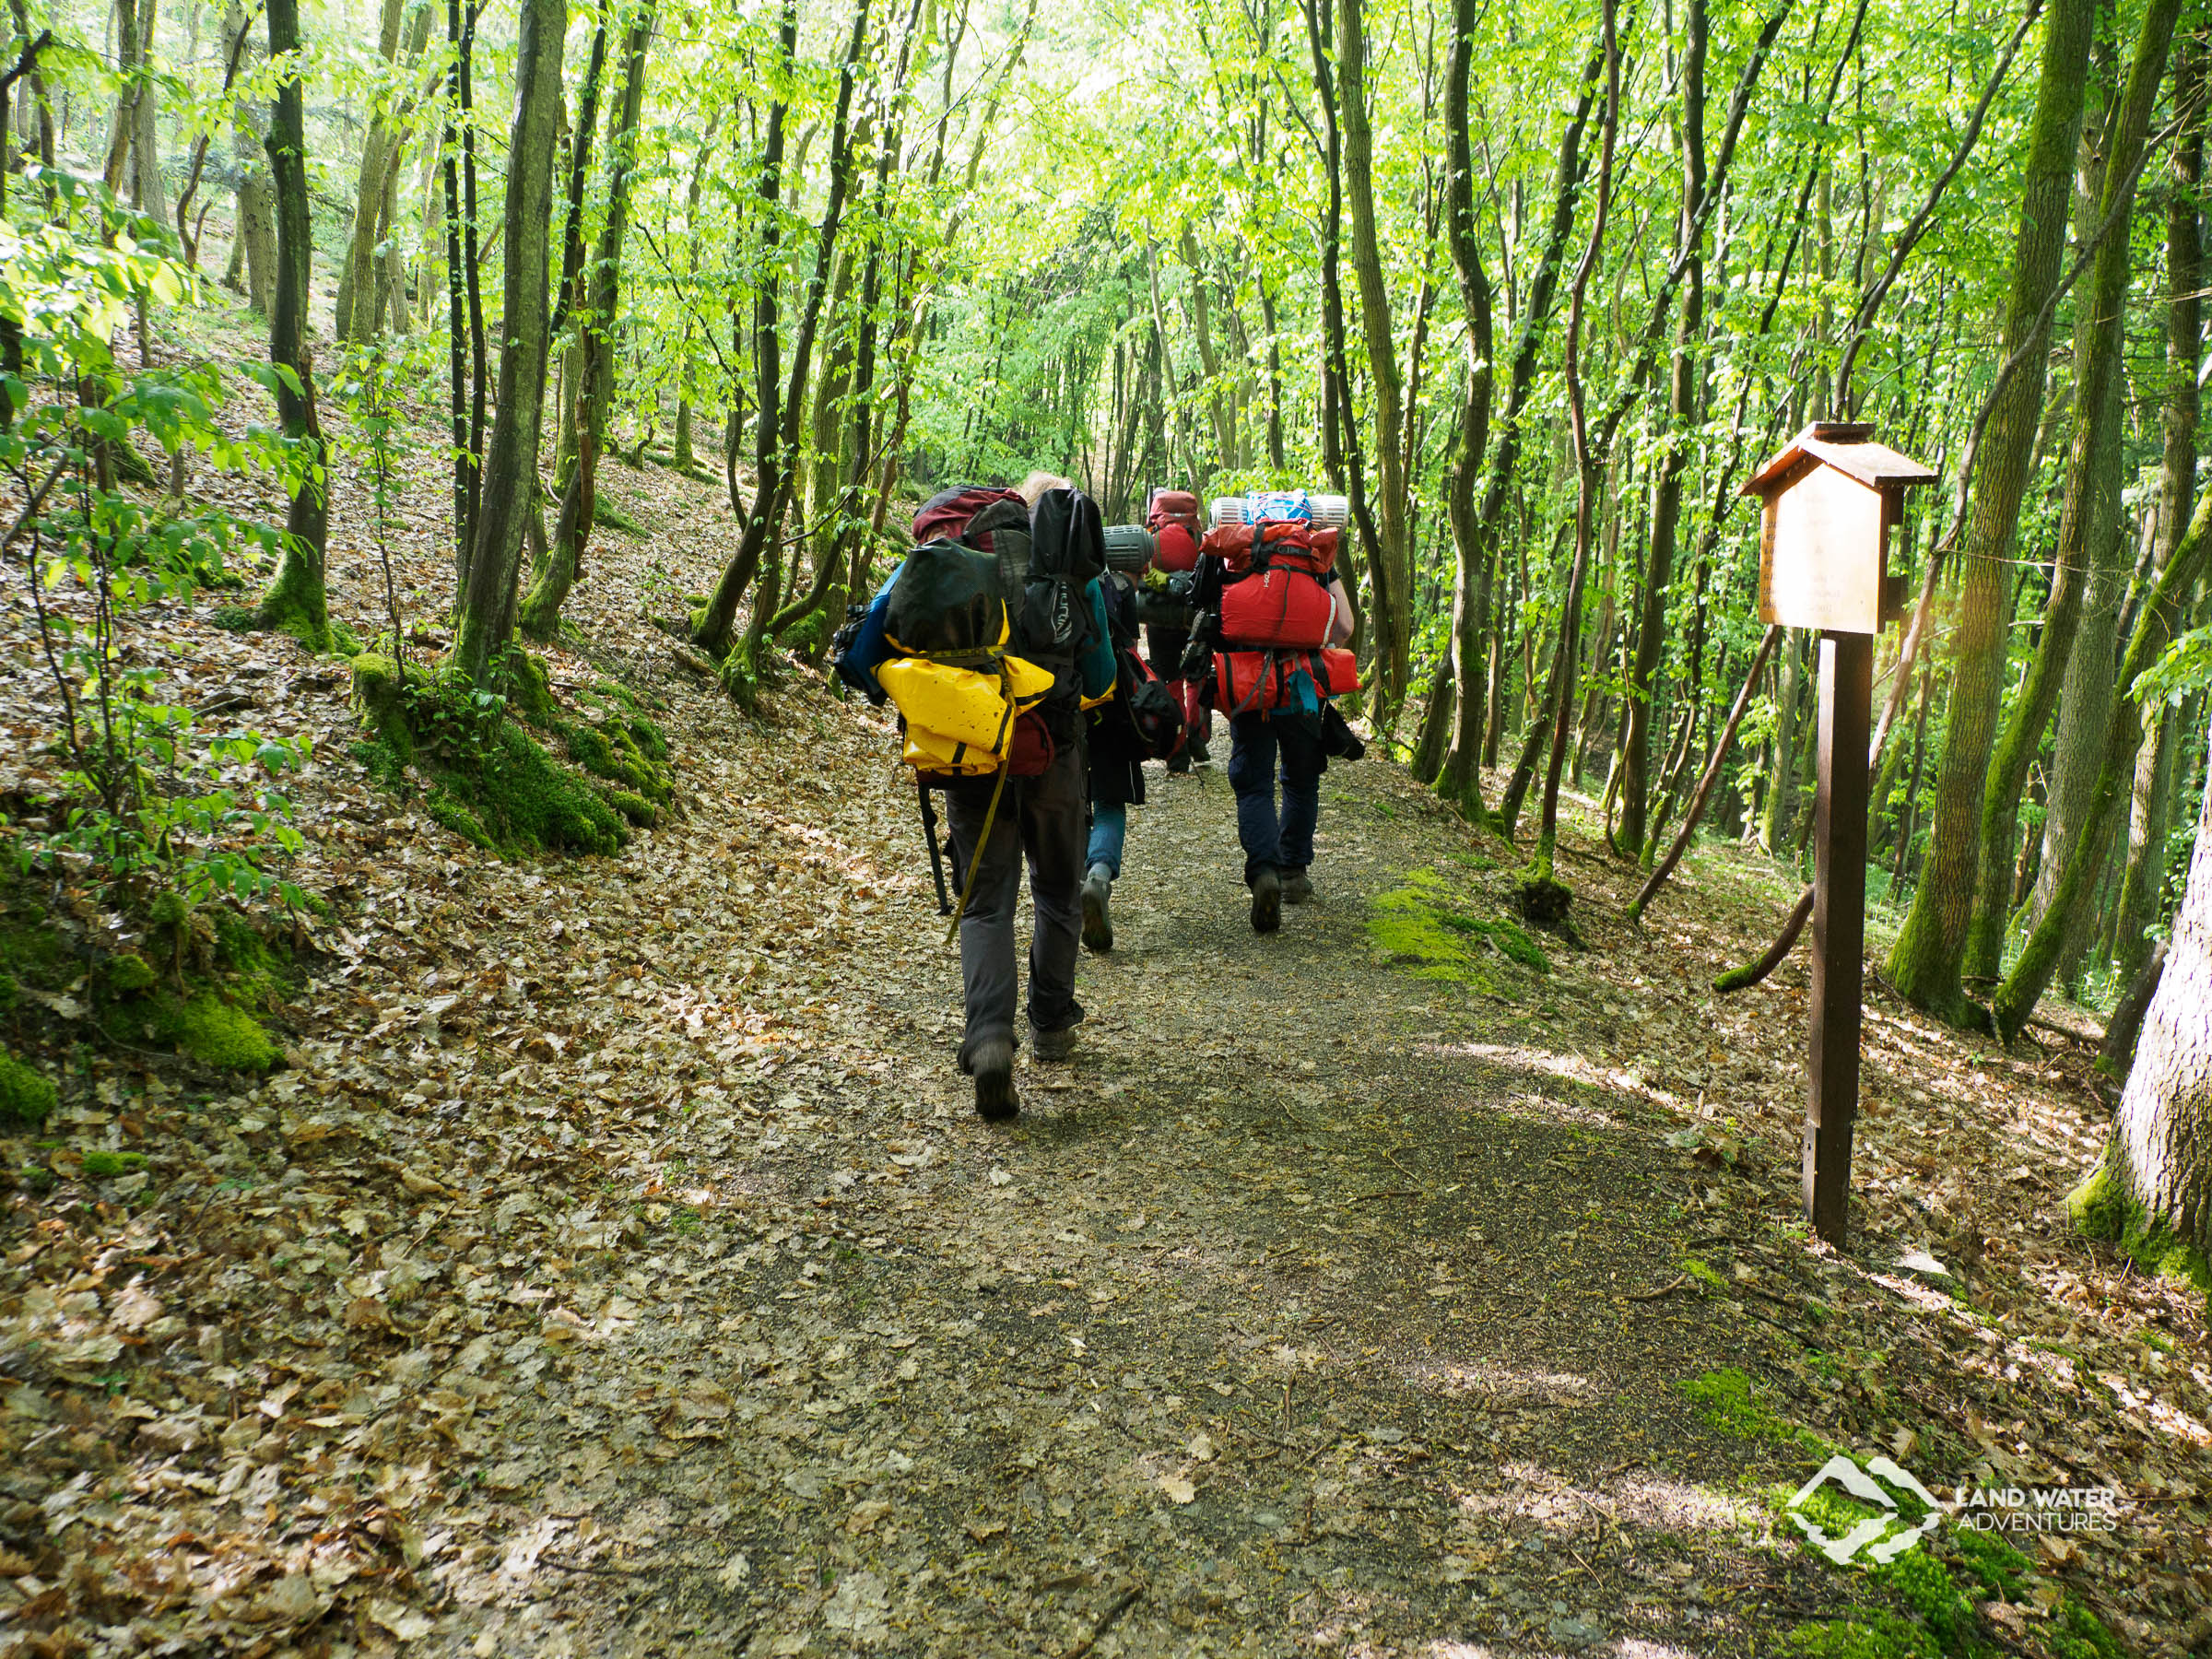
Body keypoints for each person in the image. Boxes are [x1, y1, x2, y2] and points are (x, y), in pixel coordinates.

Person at [940, 472, 1103, 1121]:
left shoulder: (963, 555)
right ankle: (1053, 1023)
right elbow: (1101, 675)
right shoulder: (1072, 569)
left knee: (984, 905)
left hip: (973, 755)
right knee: (1058, 890)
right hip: (1054, 755)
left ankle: (987, 1040)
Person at [1217, 558, 1355, 934]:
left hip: (1251, 685)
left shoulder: (1240, 559)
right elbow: (1344, 626)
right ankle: (1293, 871)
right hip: (1302, 685)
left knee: (1253, 783)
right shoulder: (1316, 561)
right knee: (1301, 777)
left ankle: (1264, 871)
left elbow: (1217, 622)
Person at [1081, 570, 1147, 951]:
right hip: (1107, 706)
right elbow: (1131, 650)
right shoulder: (1114, 585)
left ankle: (1069, 895)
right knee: (1109, 804)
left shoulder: (1026, 571)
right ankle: (1099, 877)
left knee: (1066, 806)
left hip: (1048, 707)